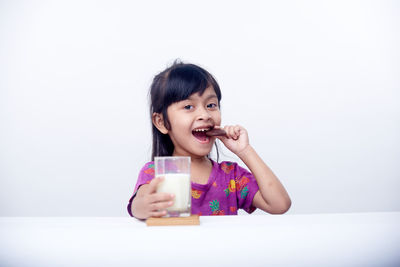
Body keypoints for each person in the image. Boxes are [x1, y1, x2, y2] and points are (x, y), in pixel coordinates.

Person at [127, 61, 291, 219]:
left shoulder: (232, 176)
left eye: (211, 105)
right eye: (188, 107)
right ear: (161, 122)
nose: (205, 115)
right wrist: (144, 206)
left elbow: (279, 205)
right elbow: (138, 206)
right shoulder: (156, 173)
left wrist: (245, 151)